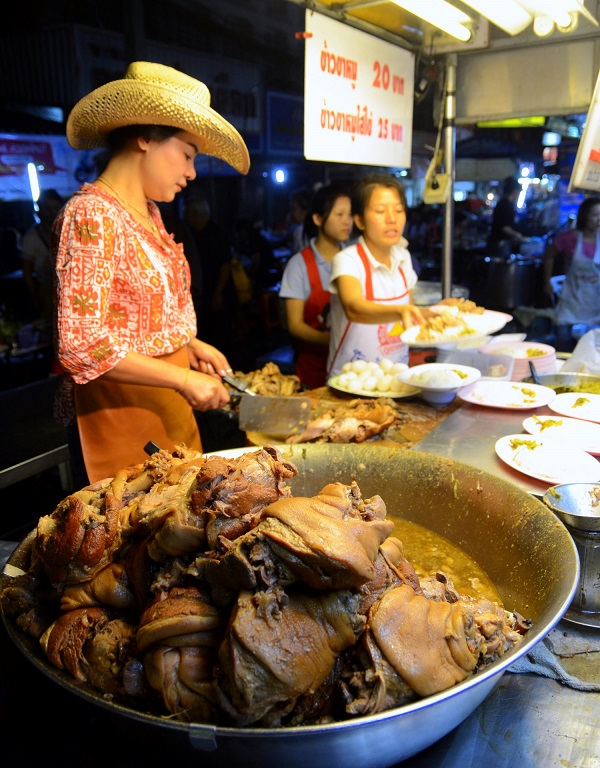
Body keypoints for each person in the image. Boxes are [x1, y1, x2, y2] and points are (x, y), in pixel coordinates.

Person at [51, 60, 250, 484]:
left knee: (184, 522)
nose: (191, 173)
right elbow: (81, 344)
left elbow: (139, 316)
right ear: (144, 136)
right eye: (187, 154)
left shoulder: (150, 215)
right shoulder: (92, 215)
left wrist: (190, 344)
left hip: (169, 407)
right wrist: (180, 378)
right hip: (120, 410)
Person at [327, 173, 424, 378]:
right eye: (380, 211)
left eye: (398, 210)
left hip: (399, 380)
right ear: (360, 221)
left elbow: (411, 313)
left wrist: (445, 312)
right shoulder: (347, 260)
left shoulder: (403, 258)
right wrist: (400, 311)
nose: (392, 218)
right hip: (349, 385)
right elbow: (354, 308)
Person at [279, 182, 353, 389]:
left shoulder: (356, 259)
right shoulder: (299, 265)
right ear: (318, 219)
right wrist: (335, 340)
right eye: (339, 215)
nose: (347, 222)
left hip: (354, 368)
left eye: (349, 214)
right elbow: (295, 325)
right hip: (314, 372)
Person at [184, 192, 241, 361]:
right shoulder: (193, 235)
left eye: (188, 213)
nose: (186, 217)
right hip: (204, 293)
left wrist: (218, 293)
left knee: (222, 335)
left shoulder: (216, 234)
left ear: (197, 214)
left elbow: (225, 265)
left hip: (219, 292)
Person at [543, 196, 600, 351]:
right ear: (584, 215)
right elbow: (549, 256)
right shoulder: (569, 238)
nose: (598, 219)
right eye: (594, 215)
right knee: (564, 345)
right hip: (572, 302)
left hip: (595, 304)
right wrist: (547, 282)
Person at [21, 188, 64, 320]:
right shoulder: (31, 236)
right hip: (46, 290)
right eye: (47, 208)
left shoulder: (68, 231)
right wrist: (35, 295)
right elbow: (27, 269)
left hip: (69, 288)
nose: (51, 212)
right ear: (39, 210)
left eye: (55, 207)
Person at [487, 176, 528, 255]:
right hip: (499, 244)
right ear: (515, 191)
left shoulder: (503, 203)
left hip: (498, 243)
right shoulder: (506, 205)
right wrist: (517, 235)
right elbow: (504, 227)